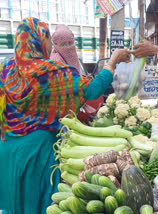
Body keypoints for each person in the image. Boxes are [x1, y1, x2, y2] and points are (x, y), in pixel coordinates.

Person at [0, 17, 130, 214]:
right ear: (38, 40)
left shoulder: (5, 69)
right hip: (38, 153)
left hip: (8, 150)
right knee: (40, 204)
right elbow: (92, 91)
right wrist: (112, 62)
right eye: (47, 38)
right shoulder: (52, 73)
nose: (49, 43)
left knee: (15, 205)